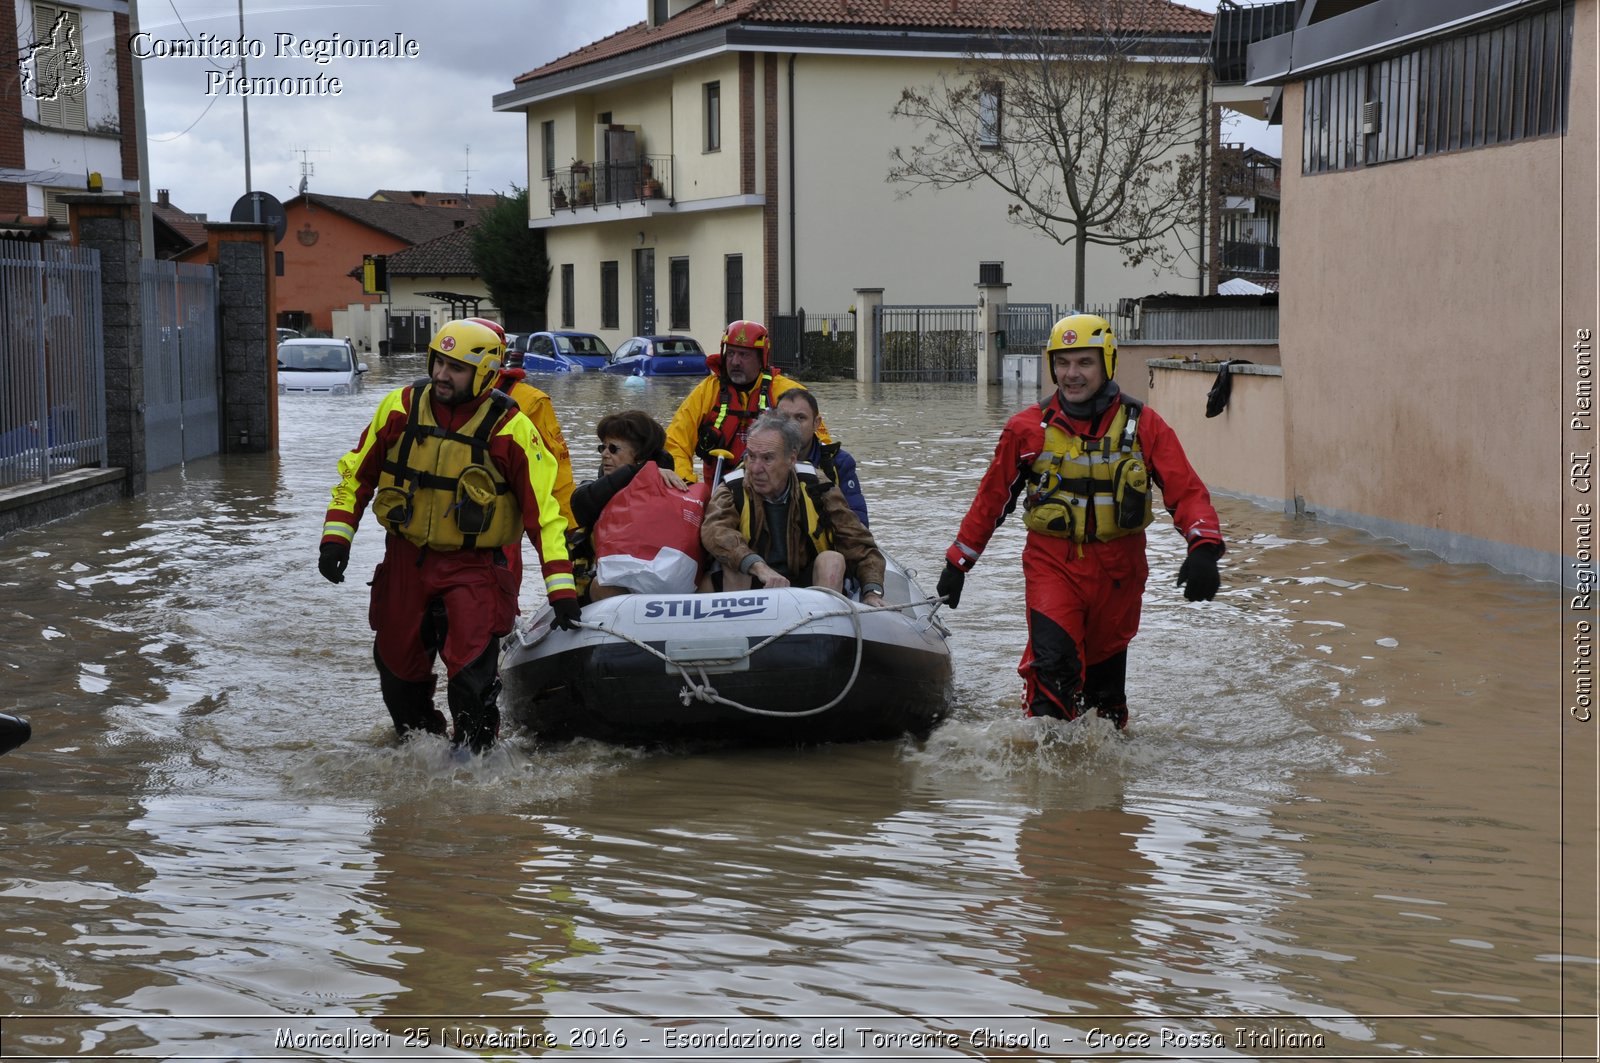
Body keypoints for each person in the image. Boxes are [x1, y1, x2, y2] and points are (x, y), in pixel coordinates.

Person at [935, 313, 1224, 730]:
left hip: (1120, 575)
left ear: (1107, 362)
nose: (1071, 375)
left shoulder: (1144, 425)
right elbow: (991, 501)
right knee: (1052, 680)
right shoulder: (1026, 430)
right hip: (1053, 566)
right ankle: (1047, 782)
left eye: (1084, 362)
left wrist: (1203, 548)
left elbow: (1186, 490)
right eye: (1063, 362)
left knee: (1104, 709)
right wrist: (958, 562)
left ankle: (1102, 794)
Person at [317, 318, 580, 754]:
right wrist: (336, 537)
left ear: (486, 374)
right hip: (405, 560)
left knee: (472, 679)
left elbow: (544, 515)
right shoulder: (399, 408)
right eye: (438, 361)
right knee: (396, 670)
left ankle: (474, 762)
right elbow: (354, 475)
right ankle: (418, 746)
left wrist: (561, 586)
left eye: (456, 367)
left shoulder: (512, 429)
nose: (441, 374)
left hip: (473, 567)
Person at [701, 411, 886, 607]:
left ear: (791, 459)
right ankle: (737, 631)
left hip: (805, 584)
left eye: (767, 459)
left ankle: (824, 626)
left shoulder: (818, 487)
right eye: (751, 457)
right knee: (734, 566)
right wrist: (757, 566)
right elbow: (716, 531)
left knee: (832, 559)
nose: (755, 468)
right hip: (752, 581)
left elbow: (857, 542)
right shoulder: (731, 489)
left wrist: (871, 591)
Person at [665, 319, 829, 485]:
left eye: (744, 355)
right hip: (717, 490)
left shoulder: (788, 392)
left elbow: (820, 444)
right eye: (731, 353)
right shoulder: (707, 390)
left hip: (773, 492)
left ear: (761, 359)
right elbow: (676, 442)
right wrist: (686, 483)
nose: (735, 361)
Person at [569, 410, 692, 601]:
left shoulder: (672, 489)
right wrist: (641, 472)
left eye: (613, 448)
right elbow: (582, 504)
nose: (605, 455)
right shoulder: (591, 489)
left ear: (640, 455)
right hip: (602, 580)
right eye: (603, 448)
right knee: (602, 587)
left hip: (659, 580)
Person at [466, 317, 576, 528]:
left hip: (497, 527)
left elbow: (556, 471)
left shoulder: (531, 402)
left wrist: (570, 531)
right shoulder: (422, 400)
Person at [773, 388, 869, 526]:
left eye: (800, 418)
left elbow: (859, 522)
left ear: (816, 423)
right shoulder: (755, 459)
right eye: (784, 418)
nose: (791, 426)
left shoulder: (839, 462)